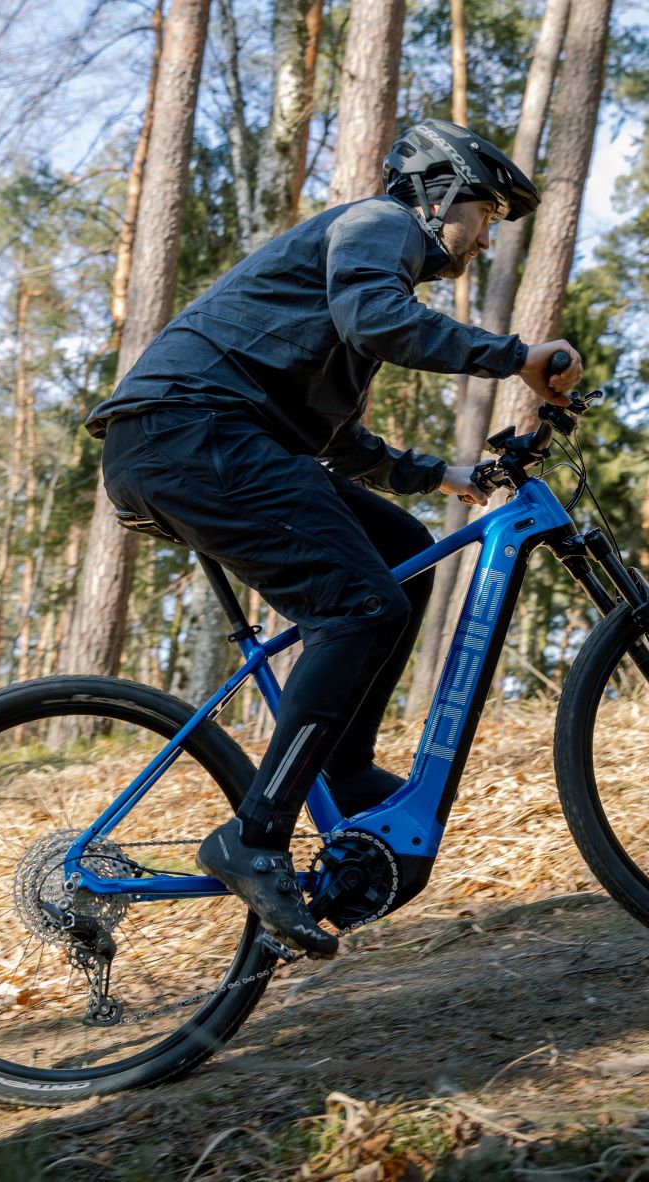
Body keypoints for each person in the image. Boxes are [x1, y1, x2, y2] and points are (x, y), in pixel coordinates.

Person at [86, 119, 582, 959]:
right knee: (358, 607)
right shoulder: (377, 224)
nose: (485, 238)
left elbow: (334, 438)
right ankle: (254, 835)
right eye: (485, 214)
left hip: (206, 439)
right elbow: (378, 322)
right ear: (437, 196)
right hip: (188, 435)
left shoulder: (359, 270)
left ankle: (342, 768)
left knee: (401, 558)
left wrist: (442, 475)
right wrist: (514, 356)